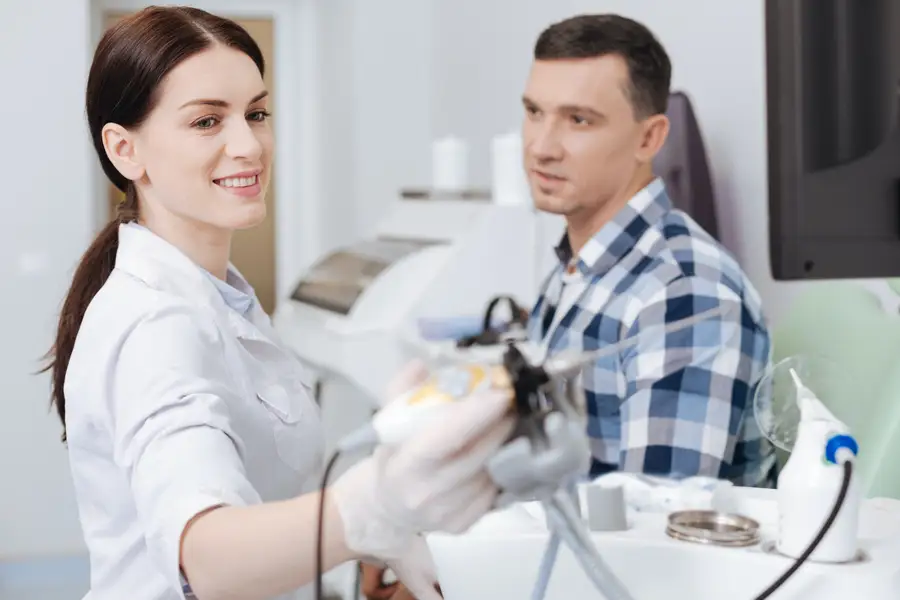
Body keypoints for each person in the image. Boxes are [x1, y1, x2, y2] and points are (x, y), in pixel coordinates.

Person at [43, 6, 516, 600]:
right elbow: (207, 558)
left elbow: (258, 498)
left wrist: (353, 553)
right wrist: (374, 505)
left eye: (256, 113)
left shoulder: (219, 296)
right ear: (125, 150)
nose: (248, 145)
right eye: (206, 122)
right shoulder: (156, 323)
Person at [520, 14, 777, 487]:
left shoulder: (684, 292)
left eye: (578, 120)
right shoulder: (576, 268)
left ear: (649, 138)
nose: (541, 146)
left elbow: (657, 526)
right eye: (535, 112)